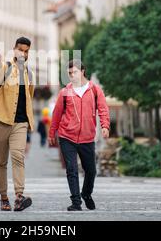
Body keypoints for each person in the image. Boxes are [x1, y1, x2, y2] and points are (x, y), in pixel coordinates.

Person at [49, 59, 110, 211]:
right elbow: (56, 114)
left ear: (82, 71)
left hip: (87, 138)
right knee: (71, 168)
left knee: (91, 170)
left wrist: (105, 126)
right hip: (67, 136)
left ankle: (86, 194)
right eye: (69, 73)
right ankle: (76, 202)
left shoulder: (95, 90)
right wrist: (52, 133)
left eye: (74, 72)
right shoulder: (65, 93)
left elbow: (103, 109)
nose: (72, 75)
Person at [0, 37, 35, 212]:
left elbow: (29, 96)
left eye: (27, 50)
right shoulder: (6, 68)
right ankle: (4, 198)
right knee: (1, 162)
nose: (23, 53)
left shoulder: (29, 73)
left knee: (18, 156)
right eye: (20, 50)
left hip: (20, 123)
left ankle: (19, 197)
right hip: (0, 121)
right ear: (14, 50)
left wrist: (29, 121)